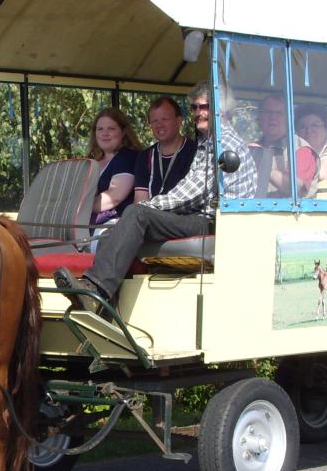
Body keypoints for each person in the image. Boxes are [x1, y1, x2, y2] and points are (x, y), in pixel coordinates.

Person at [54, 81, 257, 313]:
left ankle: (95, 292)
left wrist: (148, 208)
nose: (199, 113)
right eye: (194, 108)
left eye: (206, 107)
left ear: (224, 110)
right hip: (200, 216)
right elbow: (190, 189)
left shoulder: (223, 144)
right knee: (113, 232)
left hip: (216, 222)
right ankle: (107, 304)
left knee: (138, 213)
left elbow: (192, 192)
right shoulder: (209, 142)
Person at [133, 96, 198, 204]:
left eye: (165, 119)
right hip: (150, 216)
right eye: (154, 121)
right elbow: (140, 199)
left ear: (179, 120)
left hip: (182, 214)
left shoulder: (195, 152)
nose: (159, 125)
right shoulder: (145, 156)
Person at [251, 94, 316, 196]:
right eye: (268, 112)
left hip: (289, 211)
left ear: (289, 119)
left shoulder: (301, 149)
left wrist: (263, 166)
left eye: (279, 113)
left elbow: (296, 188)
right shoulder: (251, 149)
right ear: (259, 118)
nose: (273, 117)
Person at [87, 107, 141, 225]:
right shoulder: (92, 161)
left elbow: (115, 196)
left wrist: (79, 207)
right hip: (86, 224)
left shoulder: (128, 157)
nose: (104, 133)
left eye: (111, 128)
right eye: (100, 129)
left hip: (115, 225)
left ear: (123, 132)